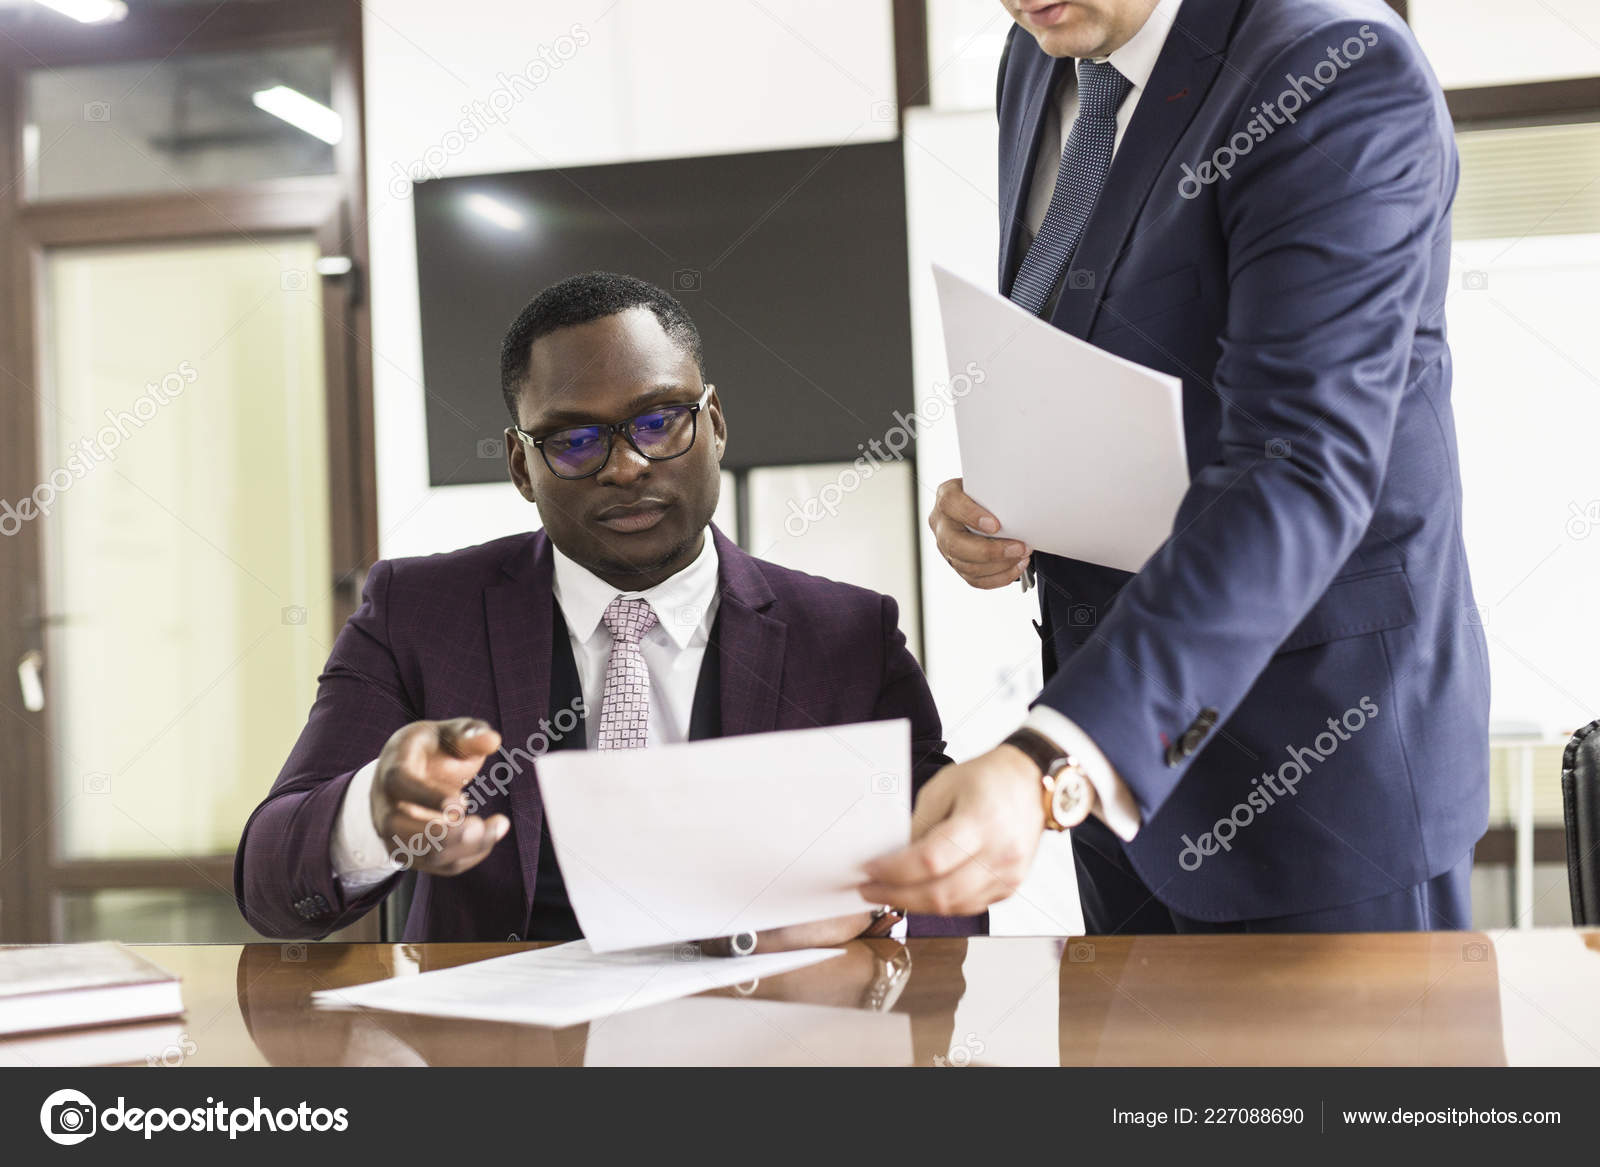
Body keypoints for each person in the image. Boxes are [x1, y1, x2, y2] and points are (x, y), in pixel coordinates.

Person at [863, 0, 1488, 933]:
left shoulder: (1334, 70)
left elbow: (1299, 470)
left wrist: (1054, 753)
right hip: (1119, 802)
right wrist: (1017, 501)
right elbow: (1101, 343)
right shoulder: (1038, 59)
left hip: (1319, 788)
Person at [236, 272, 976, 945]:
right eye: (575, 440)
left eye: (660, 422)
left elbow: (957, 876)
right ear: (522, 465)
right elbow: (270, 884)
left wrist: (877, 913)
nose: (626, 466)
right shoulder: (419, 615)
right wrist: (373, 815)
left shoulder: (847, 636)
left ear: (714, 424)